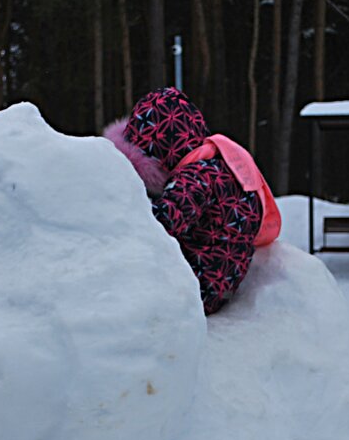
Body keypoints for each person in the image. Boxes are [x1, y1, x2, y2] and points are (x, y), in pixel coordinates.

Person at [103, 87, 280, 315]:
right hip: (221, 284)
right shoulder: (227, 167)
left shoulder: (195, 179)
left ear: (161, 149)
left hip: (195, 289)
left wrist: (126, 211)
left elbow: (164, 222)